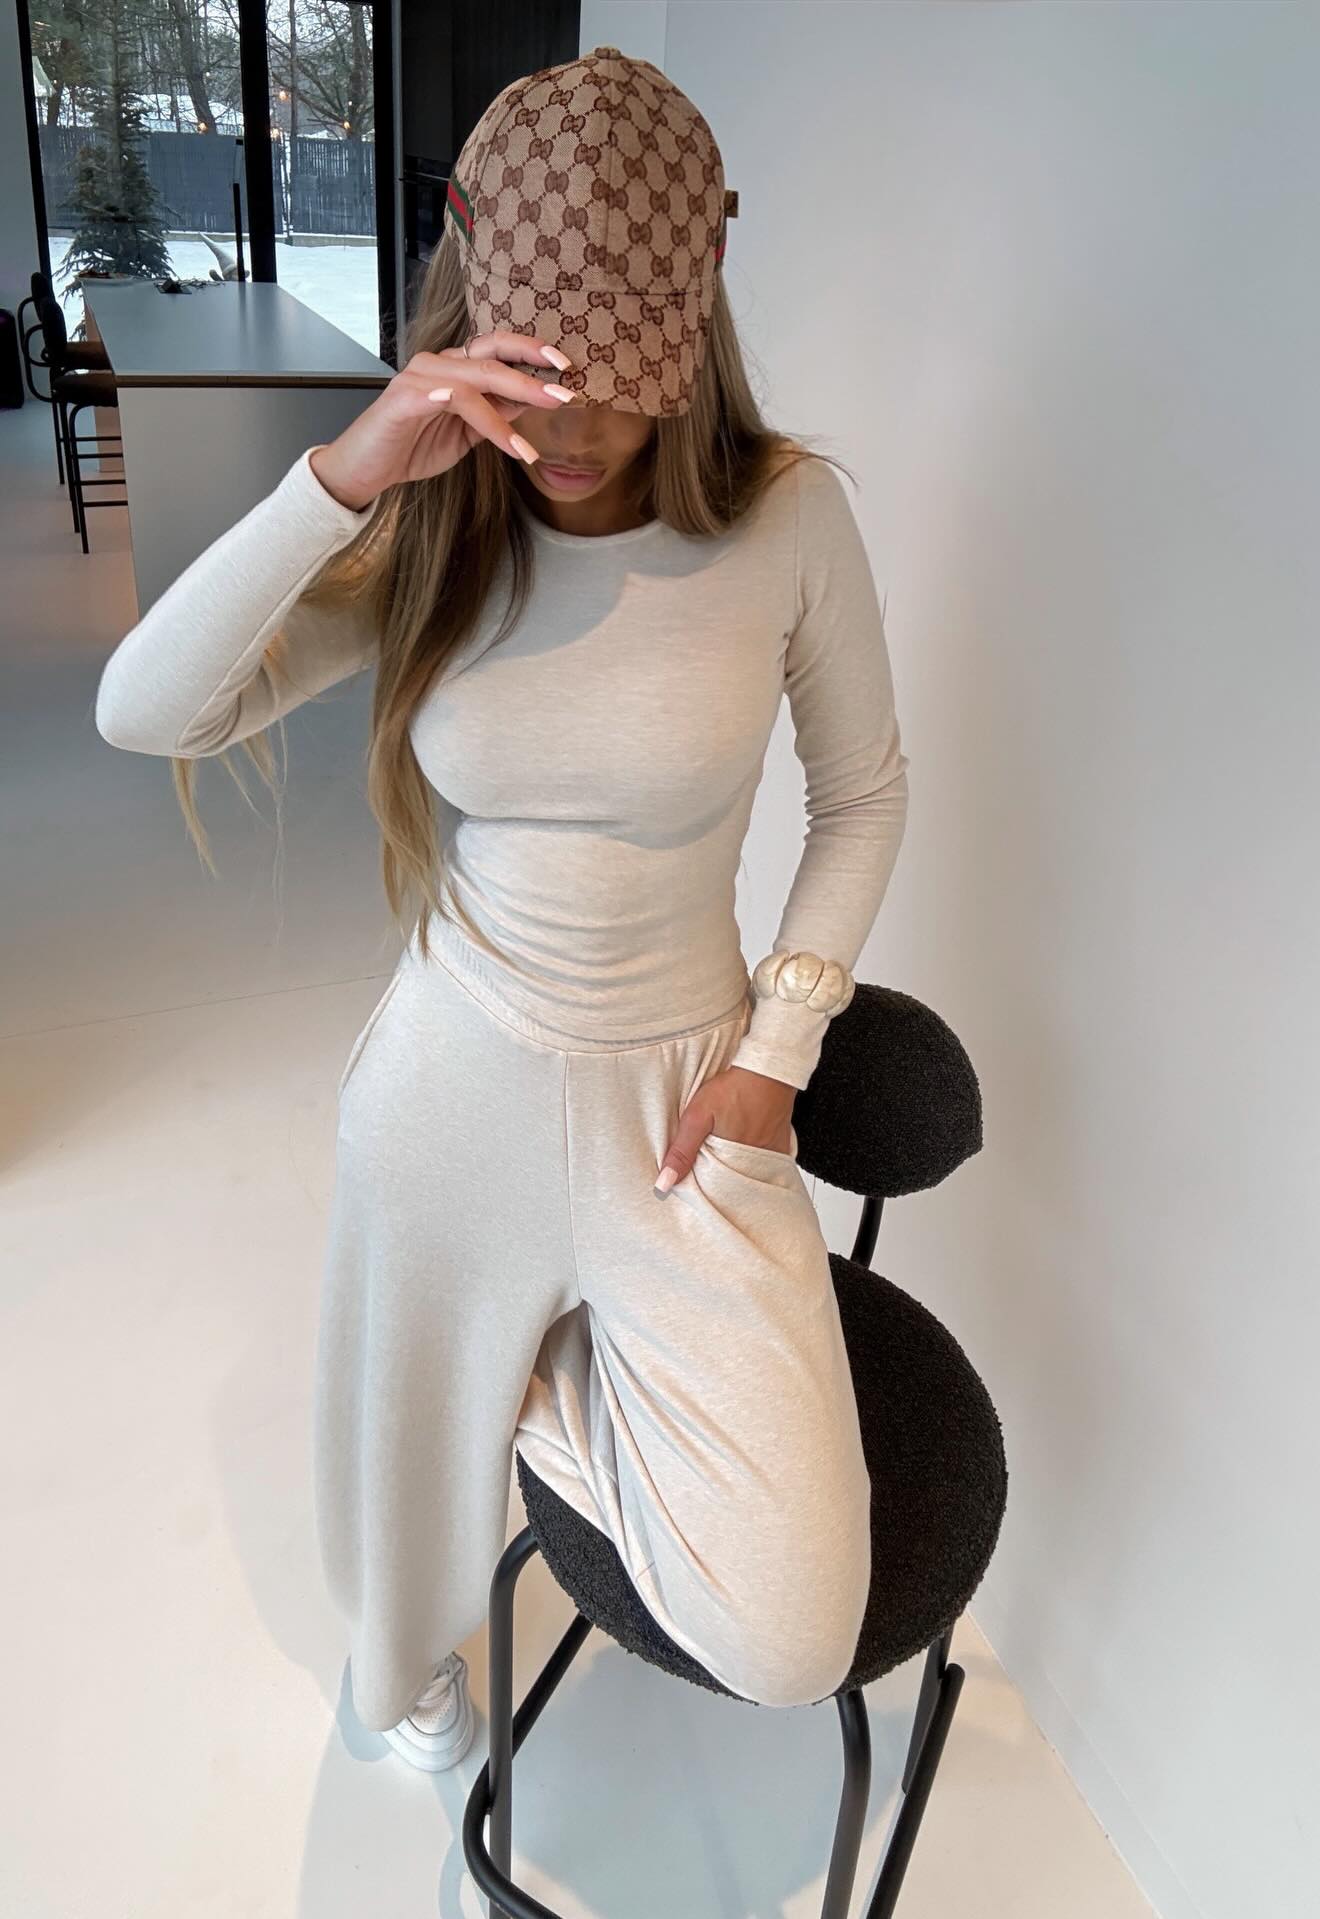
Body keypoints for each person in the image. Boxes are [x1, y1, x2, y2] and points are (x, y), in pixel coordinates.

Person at [94, 46, 909, 1771]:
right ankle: (444, 1455)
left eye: (620, 381)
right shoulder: (432, 526)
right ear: (470, 320)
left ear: (693, 338)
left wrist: (777, 1050)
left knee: (790, 1629)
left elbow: (864, 796)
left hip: (684, 1107)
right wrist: (345, 473)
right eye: (533, 371)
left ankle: (517, 1376)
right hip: (452, 1078)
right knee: (396, 1586)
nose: (573, 431)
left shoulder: (787, 520)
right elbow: (145, 709)